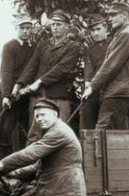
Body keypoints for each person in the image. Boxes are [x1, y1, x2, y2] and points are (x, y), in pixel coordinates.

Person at [15, 10, 81, 140]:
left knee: (60, 136)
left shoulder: (73, 46)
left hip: (59, 97)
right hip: (39, 97)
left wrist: (39, 81)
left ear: (67, 26)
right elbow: (32, 65)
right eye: (53, 24)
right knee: (34, 136)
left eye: (59, 24)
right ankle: (33, 161)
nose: (55, 27)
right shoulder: (43, 44)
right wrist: (20, 84)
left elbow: (62, 69)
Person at [81, 2, 129, 129]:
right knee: (115, 135)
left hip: (118, 92)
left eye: (114, 15)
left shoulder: (127, 34)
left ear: (125, 15)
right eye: (109, 15)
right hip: (119, 91)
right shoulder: (122, 33)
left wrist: (92, 86)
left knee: (102, 133)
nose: (110, 18)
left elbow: (111, 65)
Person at [0, 15, 36, 160]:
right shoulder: (9, 47)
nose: (25, 31)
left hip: (25, 94)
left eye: (28, 28)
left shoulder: (35, 47)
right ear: (16, 29)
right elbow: (6, 72)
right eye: (22, 28)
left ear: (32, 29)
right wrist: (5, 96)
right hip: (9, 91)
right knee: (3, 132)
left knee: (30, 130)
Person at [80, 14, 110, 130]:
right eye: (93, 30)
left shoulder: (113, 44)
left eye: (98, 29)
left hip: (110, 87)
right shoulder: (89, 48)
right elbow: (88, 66)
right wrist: (87, 83)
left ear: (105, 28)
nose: (96, 33)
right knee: (88, 119)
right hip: (94, 88)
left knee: (110, 123)